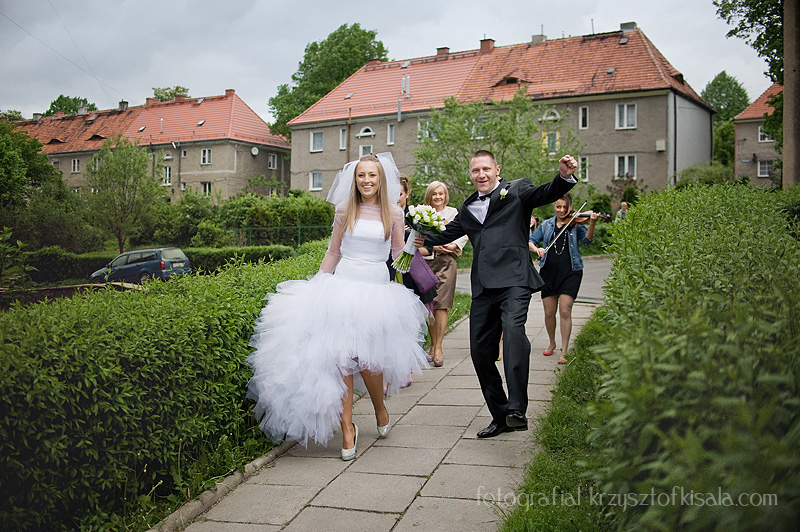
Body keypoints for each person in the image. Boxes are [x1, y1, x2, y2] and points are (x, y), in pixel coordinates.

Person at [247, 153, 429, 461]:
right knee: (341, 360)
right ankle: (348, 429)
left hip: (376, 292)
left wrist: (415, 244)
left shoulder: (394, 214)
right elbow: (333, 252)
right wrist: (317, 285)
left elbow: (398, 257)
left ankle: (379, 408)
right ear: (354, 180)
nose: (367, 180)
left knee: (370, 363)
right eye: (361, 175)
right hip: (341, 288)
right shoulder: (344, 210)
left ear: (381, 179)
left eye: (372, 175)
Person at [421, 149, 577, 438]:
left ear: (497, 169)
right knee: (480, 353)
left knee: (514, 334)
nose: (480, 175)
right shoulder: (467, 208)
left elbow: (545, 192)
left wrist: (565, 177)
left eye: (485, 169)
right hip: (483, 286)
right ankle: (501, 415)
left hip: (515, 279)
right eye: (475, 171)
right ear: (471, 174)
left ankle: (517, 409)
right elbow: (442, 235)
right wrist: (408, 230)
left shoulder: (517, 190)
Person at [529, 193, 598, 364]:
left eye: (564, 207)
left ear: (569, 207)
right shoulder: (546, 225)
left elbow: (588, 241)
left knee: (565, 310)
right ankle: (552, 342)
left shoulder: (576, 224)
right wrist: (537, 250)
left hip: (571, 272)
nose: (561, 210)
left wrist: (593, 223)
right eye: (558, 207)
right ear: (554, 206)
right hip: (548, 272)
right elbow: (530, 240)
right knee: (549, 312)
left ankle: (564, 350)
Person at [418, 181, 468, 367]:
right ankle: (432, 344)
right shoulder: (421, 213)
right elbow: (418, 238)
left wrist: (454, 245)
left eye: (441, 194)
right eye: (434, 194)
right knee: (429, 304)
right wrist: (432, 246)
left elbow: (463, 233)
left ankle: (438, 347)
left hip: (446, 262)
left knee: (442, 305)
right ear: (429, 196)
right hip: (426, 263)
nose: (438, 197)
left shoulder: (453, 213)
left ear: (446, 195)